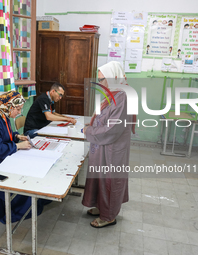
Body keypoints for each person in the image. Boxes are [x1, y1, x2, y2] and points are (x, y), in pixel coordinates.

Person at [0, 91, 50, 224]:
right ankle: (14, 211)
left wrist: (16, 136)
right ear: (9, 106)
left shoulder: (3, 115)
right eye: (18, 109)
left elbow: (4, 135)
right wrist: (18, 146)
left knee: (27, 166)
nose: (18, 112)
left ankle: (26, 202)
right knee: (20, 175)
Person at [82, 61, 134, 228]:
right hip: (102, 145)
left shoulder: (122, 96)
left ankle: (108, 215)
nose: (100, 83)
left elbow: (113, 129)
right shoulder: (112, 93)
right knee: (99, 178)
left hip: (112, 148)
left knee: (109, 181)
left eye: (103, 79)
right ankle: (101, 206)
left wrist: (89, 131)